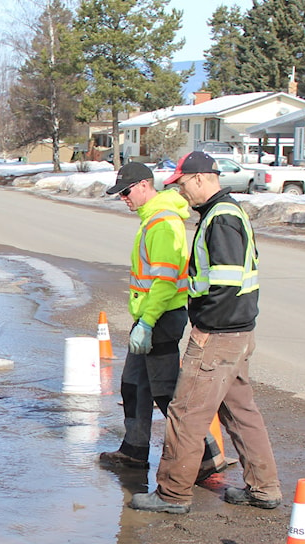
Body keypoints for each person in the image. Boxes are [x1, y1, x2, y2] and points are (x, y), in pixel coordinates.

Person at [129, 151, 281, 514]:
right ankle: (264, 488)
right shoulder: (223, 214)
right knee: (239, 411)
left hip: (219, 334)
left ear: (200, 178)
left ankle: (172, 494)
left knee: (186, 413)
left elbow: (225, 284)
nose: (181, 192)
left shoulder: (221, 218)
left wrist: (204, 329)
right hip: (237, 333)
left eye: (182, 184)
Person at [98, 162, 191, 470]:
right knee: (134, 385)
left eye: (126, 192)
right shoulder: (151, 220)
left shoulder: (162, 223)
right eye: (120, 194)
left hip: (161, 318)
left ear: (143, 186)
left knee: (165, 392)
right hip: (150, 318)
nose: (123, 198)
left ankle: (203, 455)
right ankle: (134, 450)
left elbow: (164, 284)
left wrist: (148, 323)